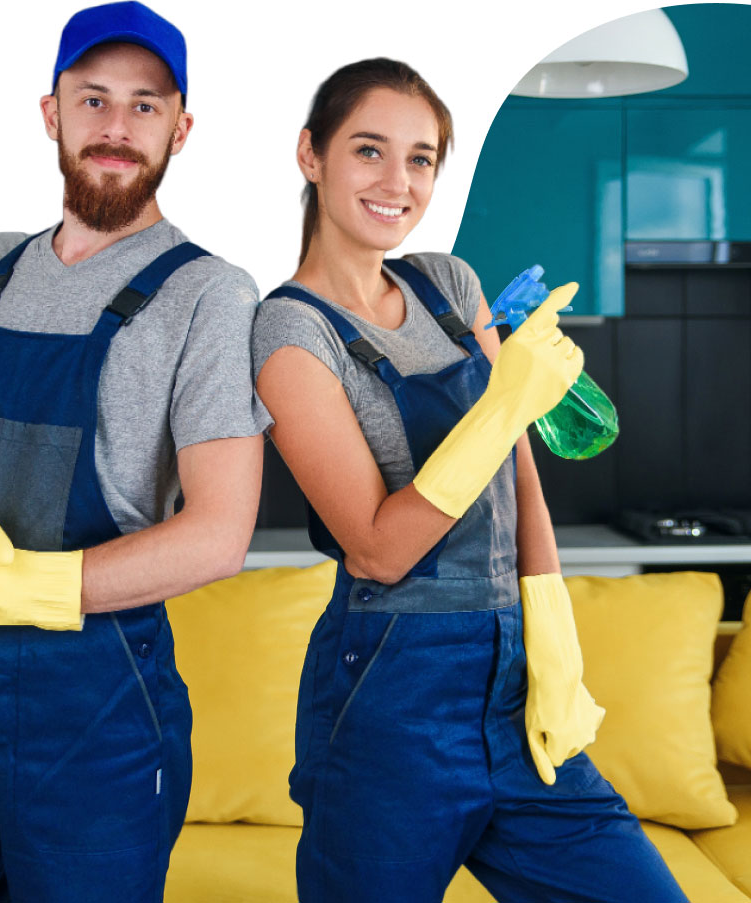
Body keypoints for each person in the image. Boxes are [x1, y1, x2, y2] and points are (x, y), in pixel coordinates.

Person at [0, 3, 269, 901]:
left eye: (145, 106)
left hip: (98, 710)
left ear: (181, 129)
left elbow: (220, 533)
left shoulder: (209, 295)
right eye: (95, 100)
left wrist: (29, 587)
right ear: (53, 113)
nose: (117, 128)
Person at [252, 58, 689, 903]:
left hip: (512, 679)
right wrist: (503, 403)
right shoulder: (288, 332)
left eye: (421, 158)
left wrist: (552, 626)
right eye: (369, 150)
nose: (398, 181)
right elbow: (378, 549)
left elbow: (518, 470)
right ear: (312, 155)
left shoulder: (450, 286)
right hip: (390, 701)